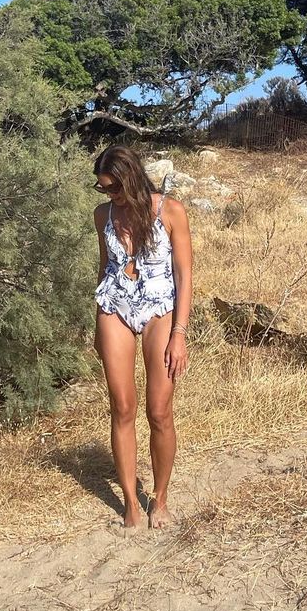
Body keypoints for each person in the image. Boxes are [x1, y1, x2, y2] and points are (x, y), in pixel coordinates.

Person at [92, 145, 192, 529]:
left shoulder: (170, 211)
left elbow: (184, 276)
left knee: (159, 411)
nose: (109, 194)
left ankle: (160, 499)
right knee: (122, 408)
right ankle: (131, 503)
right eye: (103, 188)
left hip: (160, 311)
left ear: (131, 177)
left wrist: (179, 334)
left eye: (114, 187)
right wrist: (97, 324)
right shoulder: (102, 215)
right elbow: (104, 268)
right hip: (115, 308)